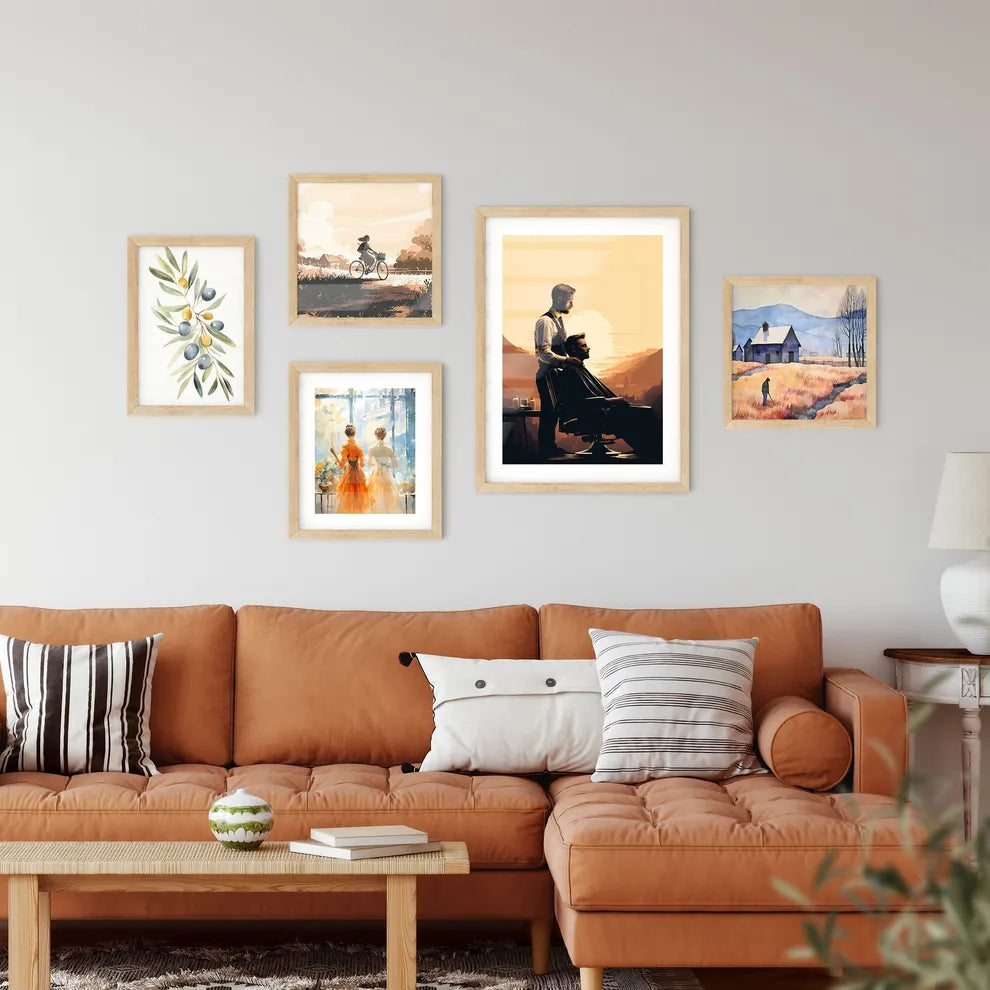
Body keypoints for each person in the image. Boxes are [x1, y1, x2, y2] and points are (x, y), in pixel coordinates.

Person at [552, 334, 661, 462]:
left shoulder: (578, 369)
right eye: (584, 346)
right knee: (644, 414)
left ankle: (648, 449)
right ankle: (650, 452)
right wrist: (613, 400)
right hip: (591, 414)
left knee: (645, 411)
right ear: (574, 349)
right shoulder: (571, 371)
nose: (588, 348)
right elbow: (581, 402)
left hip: (599, 410)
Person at [534, 283, 583, 458]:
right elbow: (544, 353)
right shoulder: (545, 322)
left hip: (555, 375)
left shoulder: (558, 320)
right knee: (549, 412)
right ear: (561, 299)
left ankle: (550, 447)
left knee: (554, 412)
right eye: (570, 301)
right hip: (547, 375)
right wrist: (567, 359)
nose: (572, 305)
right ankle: (546, 450)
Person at [330, 425, 369, 514]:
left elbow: (341, 465)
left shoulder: (345, 448)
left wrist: (334, 454)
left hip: (349, 475)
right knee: (359, 500)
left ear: (346, 435)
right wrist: (357, 461)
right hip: (358, 475)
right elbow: (362, 465)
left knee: (347, 500)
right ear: (354, 434)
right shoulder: (359, 448)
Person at [366, 427, 401, 513]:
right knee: (387, 495)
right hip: (386, 473)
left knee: (375, 493)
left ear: (376, 436)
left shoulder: (372, 449)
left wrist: (376, 464)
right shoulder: (388, 449)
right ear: (384, 436)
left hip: (376, 473)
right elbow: (395, 465)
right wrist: (386, 465)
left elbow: (368, 464)